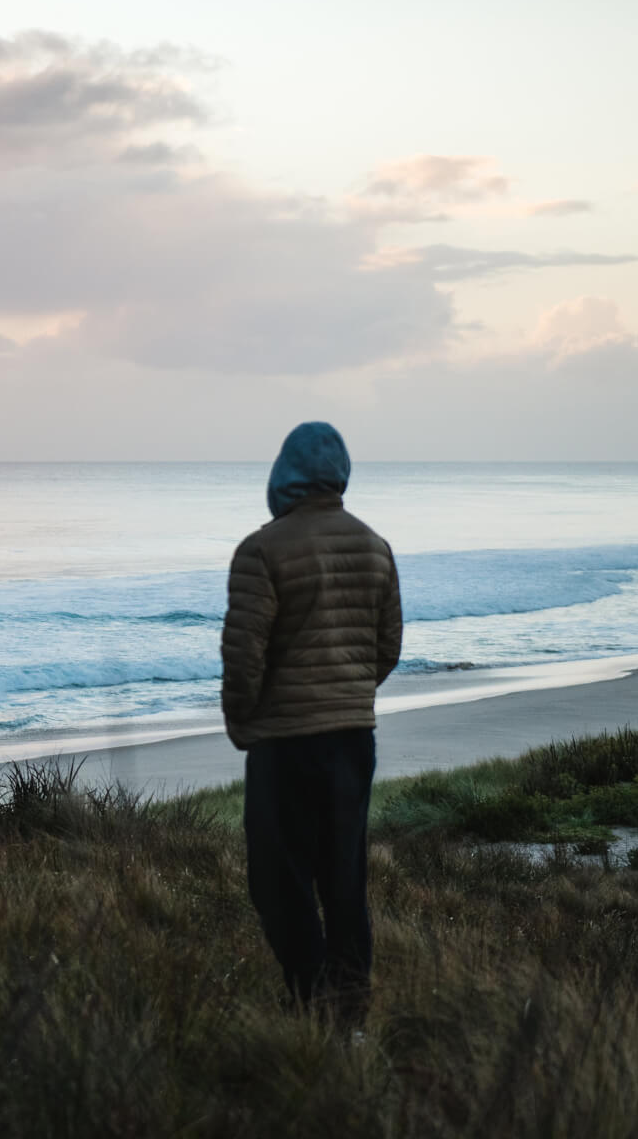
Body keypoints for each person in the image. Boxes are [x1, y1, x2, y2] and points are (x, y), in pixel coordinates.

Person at [221, 421, 402, 1028]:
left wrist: (243, 723)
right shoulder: (375, 546)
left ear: (285, 473)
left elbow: (243, 653)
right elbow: (388, 647)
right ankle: (350, 1015)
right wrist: (348, 696)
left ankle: (309, 1000)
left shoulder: (262, 549)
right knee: (343, 880)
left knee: (279, 880)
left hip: (285, 744)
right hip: (354, 742)